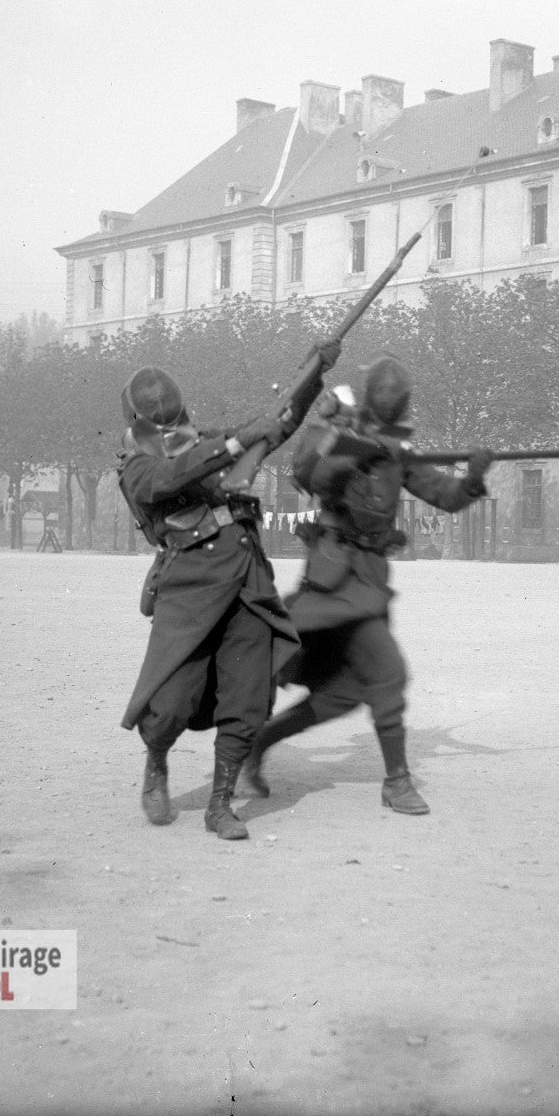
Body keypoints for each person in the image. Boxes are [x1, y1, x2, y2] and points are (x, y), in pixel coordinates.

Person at [240, 355, 490, 816]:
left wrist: (473, 477)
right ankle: (397, 782)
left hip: (370, 581)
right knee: (388, 674)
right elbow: (305, 472)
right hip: (334, 579)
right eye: (384, 401)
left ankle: (256, 744)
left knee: (341, 693)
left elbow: (444, 495)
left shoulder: (400, 452)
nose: (391, 408)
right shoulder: (340, 428)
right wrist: (351, 452)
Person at [118, 342, 340, 841]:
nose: (174, 433)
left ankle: (220, 804)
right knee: (171, 704)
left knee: (247, 699)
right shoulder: (136, 468)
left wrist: (314, 373)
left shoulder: (209, 441)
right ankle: (156, 760)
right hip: (189, 591)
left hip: (246, 583)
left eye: (177, 422)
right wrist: (236, 444)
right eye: (163, 427)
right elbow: (173, 476)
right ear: (138, 426)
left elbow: (276, 424)